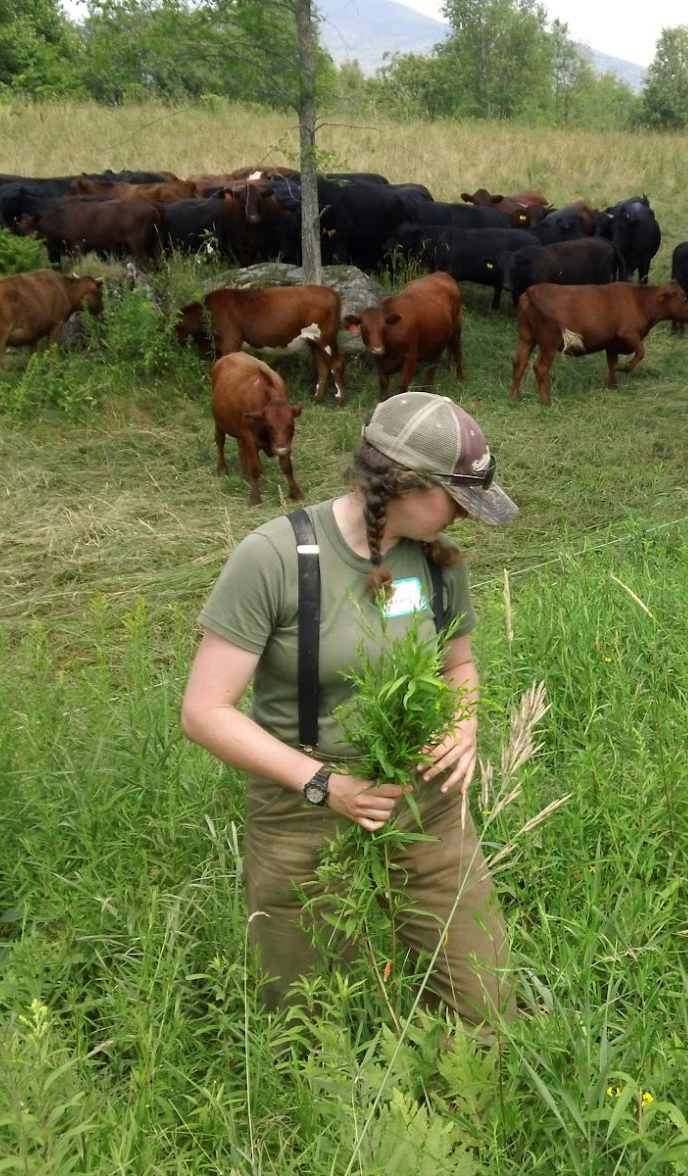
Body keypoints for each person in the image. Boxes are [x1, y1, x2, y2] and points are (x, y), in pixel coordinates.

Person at [180, 391, 518, 1026]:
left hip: (425, 793)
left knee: (484, 1004)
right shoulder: (274, 558)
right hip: (303, 800)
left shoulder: (438, 559)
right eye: (456, 500)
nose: (465, 519)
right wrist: (324, 785)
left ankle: (457, 1114)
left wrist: (463, 722)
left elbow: (459, 666)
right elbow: (204, 711)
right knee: (308, 1021)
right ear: (402, 483)